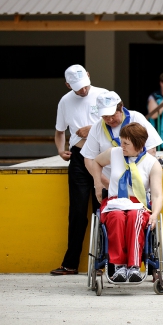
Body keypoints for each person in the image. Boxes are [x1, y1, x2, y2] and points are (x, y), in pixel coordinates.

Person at [50, 65, 108, 276]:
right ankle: (70, 263)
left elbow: (118, 121)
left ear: (89, 77)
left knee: (102, 209)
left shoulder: (103, 94)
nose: (83, 90)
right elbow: (59, 131)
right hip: (78, 157)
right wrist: (60, 150)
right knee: (77, 211)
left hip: (102, 159)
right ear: (68, 85)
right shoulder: (65, 101)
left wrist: (91, 128)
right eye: (77, 88)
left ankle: (103, 263)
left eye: (85, 85)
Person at [92, 123, 163, 283]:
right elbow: (95, 162)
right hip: (114, 203)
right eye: (121, 141)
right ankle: (119, 266)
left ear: (138, 145)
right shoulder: (114, 153)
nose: (121, 146)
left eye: (126, 143)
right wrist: (99, 183)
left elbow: (157, 195)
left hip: (138, 204)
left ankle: (133, 266)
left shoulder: (152, 163)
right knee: (116, 218)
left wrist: (155, 214)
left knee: (135, 218)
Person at [82, 91, 163, 201]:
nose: (109, 120)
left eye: (112, 115)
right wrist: (104, 184)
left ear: (121, 108)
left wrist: (138, 178)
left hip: (137, 184)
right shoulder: (97, 128)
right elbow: (89, 160)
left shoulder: (136, 118)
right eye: (105, 116)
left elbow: (151, 149)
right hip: (109, 185)